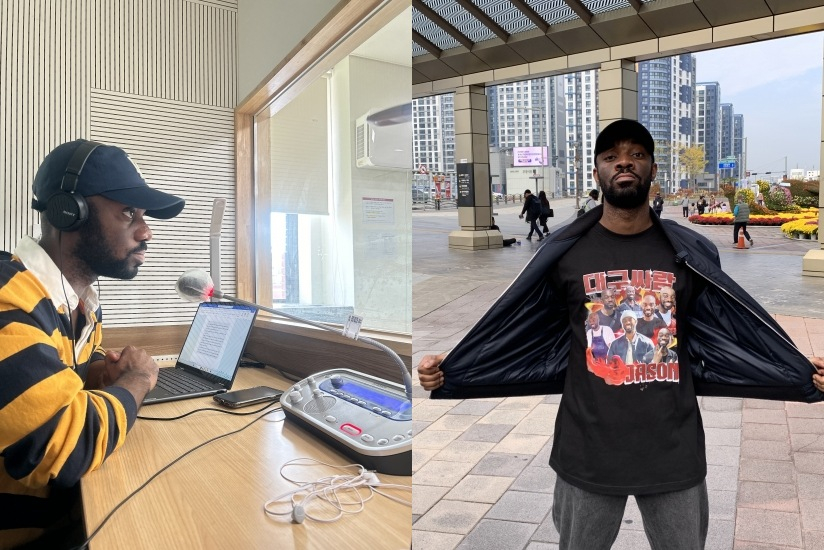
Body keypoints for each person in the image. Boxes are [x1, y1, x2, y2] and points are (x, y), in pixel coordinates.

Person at [417, 119, 824, 550]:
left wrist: (796, 370)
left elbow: (727, 332)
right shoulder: (563, 253)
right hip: (587, 450)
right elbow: (523, 330)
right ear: (597, 174)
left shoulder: (691, 252)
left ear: (652, 171)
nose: (624, 162)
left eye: (637, 155)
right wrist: (456, 368)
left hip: (674, 449)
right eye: (611, 157)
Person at [0, 139, 184, 547]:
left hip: (58, 516)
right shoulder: (7, 297)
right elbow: (66, 445)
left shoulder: (77, 305)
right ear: (70, 213)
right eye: (128, 213)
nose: (146, 230)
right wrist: (135, 381)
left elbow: (62, 366)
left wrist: (99, 369)